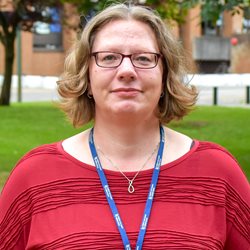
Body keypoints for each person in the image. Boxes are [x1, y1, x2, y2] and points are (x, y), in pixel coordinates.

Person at [0, 3, 249, 250]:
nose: (127, 70)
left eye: (143, 58)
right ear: (86, 76)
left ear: (165, 75)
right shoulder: (34, 177)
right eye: (109, 57)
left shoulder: (218, 174)